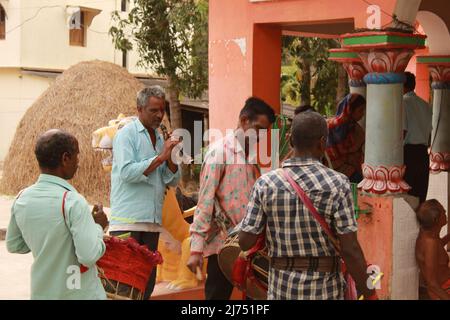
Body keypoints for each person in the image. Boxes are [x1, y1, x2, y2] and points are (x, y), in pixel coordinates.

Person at [239, 111, 376, 300]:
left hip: (281, 291)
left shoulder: (265, 184)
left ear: (291, 141)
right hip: (325, 291)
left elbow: (245, 241)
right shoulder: (338, 183)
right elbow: (350, 249)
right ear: (322, 143)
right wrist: (369, 291)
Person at [187, 97, 276, 300]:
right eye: (259, 129)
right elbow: (205, 202)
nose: (262, 136)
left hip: (249, 245)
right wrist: (196, 249)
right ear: (244, 121)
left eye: (265, 132)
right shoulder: (219, 153)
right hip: (222, 245)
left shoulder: (252, 157)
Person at [6, 129, 108, 300]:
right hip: (78, 293)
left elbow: (14, 245)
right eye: (77, 156)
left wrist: (47, 240)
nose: (78, 162)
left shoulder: (22, 198)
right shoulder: (72, 201)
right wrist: (97, 227)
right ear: (65, 158)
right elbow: (88, 256)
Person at [109, 86, 181, 299]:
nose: (159, 115)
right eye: (153, 110)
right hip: (127, 222)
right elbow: (126, 172)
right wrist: (160, 157)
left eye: (162, 110)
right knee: (124, 287)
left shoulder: (160, 139)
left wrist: (171, 156)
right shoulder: (125, 135)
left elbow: (172, 179)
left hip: (151, 223)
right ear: (139, 109)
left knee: (146, 286)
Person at [403, 72, 433, 204]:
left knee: (408, 197)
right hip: (423, 154)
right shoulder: (425, 105)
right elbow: (429, 133)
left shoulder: (403, 103)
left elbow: (402, 132)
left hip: (408, 154)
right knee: (420, 196)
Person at [325, 94, 366, 183]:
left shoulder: (356, 129)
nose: (362, 114)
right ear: (350, 110)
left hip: (349, 169)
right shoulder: (331, 126)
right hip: (329, 169)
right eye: (360, 110)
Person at [415, 199, 450, 300]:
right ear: (436, 220)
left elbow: (437, 251)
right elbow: (432, 284)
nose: (446, 212)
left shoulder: (429, 233)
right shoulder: (430, 243)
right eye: (443, 211)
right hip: (443, 290)